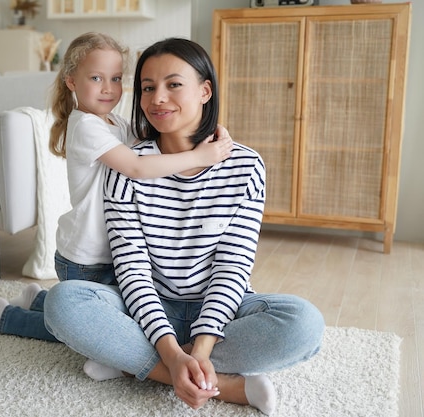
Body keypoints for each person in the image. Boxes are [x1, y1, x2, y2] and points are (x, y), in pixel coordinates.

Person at [43, 38, 325, 415]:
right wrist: (172, 355)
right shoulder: (127, 164)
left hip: (222, 309)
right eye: (147, 87)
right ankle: (220, 385)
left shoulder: (245, 166)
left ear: (205, 90)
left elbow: (233, 266)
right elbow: (132, 268)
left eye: (174, 84)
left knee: (304, 323)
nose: (158, 98)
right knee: (64, 304)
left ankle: (134, 362)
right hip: (143, 306)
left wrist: (202, 346)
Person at [0, 34, 232, 343]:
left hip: (111, 250)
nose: (108, 88)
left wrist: (208, 131)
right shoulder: (86, 125)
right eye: (96, 78)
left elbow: (152, 141)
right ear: (71, 80)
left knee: (109, 310)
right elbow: (136, 167)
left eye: (115, 78)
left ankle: (36, 300)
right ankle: (8, 316)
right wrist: (198, 156)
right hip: (87, 256)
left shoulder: (114, 121)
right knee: (89, 326)